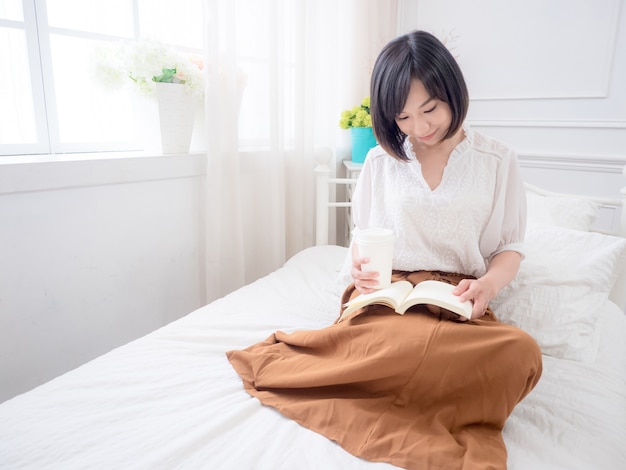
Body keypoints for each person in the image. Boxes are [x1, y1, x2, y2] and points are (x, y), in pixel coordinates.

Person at [227, 30, 542, 470]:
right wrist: (358, 270)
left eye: (430, 108)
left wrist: (488, 284)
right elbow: (364, 237)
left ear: (453, 89)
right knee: (398, 341)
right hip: (387, 293)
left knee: (520, 354)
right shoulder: (380, 160)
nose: (420, 127)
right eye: (404, 117)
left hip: (457, 300)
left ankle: (379, 378)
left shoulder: (496, 159)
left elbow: (509, 246)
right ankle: (419, 385)